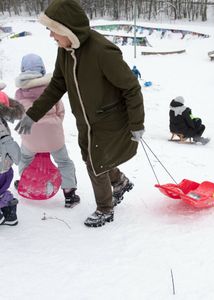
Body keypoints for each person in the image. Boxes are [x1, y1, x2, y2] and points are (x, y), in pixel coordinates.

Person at [15, 0, 145, 228]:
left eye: (53, 31)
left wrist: (136, 123)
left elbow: (131, 87)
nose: (51, 37)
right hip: (86, 120)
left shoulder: (102, 52)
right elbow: (57, 85)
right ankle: (120, 181)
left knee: (95, 164)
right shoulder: (66, 50)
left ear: (67, 29)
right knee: (93, 159)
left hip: (108, 120)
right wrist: (33, 114)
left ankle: (105, 208)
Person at [14, 53, 80, 208]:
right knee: (64, 162)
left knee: (25, 158)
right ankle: (69, 193)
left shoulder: (19, 92)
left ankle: (25, 181)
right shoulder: (51, 87)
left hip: (31, 137)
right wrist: (54, 125)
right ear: (42, 69)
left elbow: (18, 114)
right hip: (53, 137)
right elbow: (60, 111)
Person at [0, 90, 24, 226]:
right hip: (5, 166)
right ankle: (10, 214)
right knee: (2, 191)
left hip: (2, 165)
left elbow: (6, 142)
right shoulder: (2, 121)